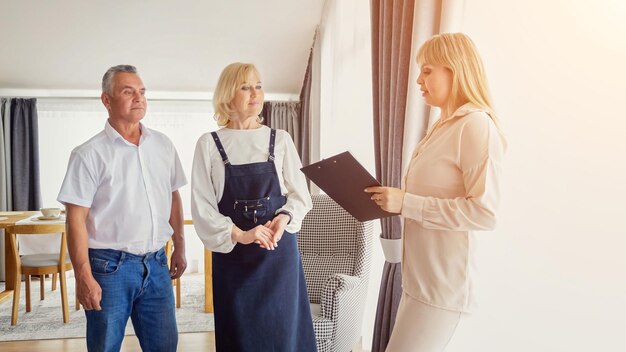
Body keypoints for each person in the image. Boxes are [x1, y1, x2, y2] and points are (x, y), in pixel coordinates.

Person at [366, 33, 507, 351]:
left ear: (454, 70)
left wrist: (406, 203)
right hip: (417, 283)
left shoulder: (475, 126)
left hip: (442, 291)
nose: (418, 79)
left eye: (427, 70)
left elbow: (484, 212)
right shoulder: (440, 127)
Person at [57, 65, 187, 352]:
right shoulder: (88, 154)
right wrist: (83, 276)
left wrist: (180, 245)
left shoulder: (163, 145)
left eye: (141, 92)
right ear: (107, 100)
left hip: (157, 264)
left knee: (165, 345)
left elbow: (173, 196)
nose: (138, 98)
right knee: (105, 347)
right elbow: (75, 220)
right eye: (128, 92)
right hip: (108, 267)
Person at [191, 62, 316, 351]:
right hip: (234, 258)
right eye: (245, 86)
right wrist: (241, 234)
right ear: (227, 94)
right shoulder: (209, 144)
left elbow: (301, 196)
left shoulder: (280, 139)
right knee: (240, 337)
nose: (255, 93)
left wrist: (283, 219)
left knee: (284, 335)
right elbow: (202, 207)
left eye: (258, 85)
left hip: (278, 255)